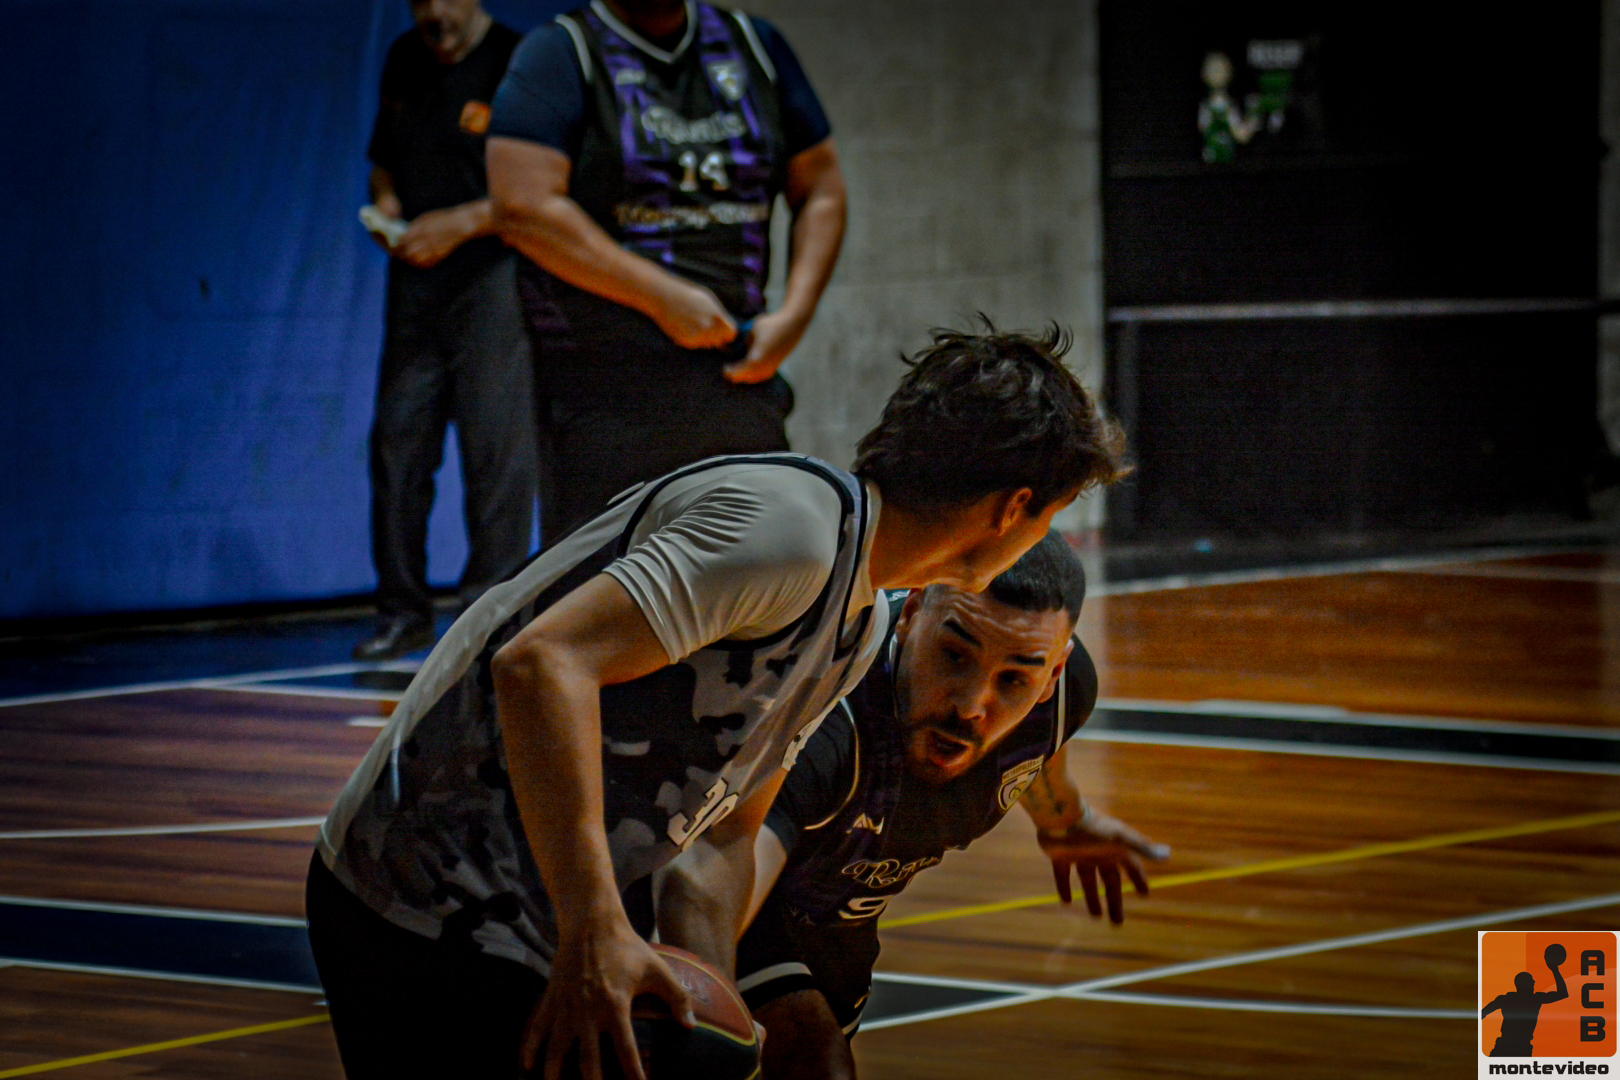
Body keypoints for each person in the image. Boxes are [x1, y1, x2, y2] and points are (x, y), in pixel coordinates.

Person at [306, 325, 1129, 1080]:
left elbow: (724, 836)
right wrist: (596, 928)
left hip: (525, 914)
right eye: (1052, 513)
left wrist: (721, 1006)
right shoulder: (790, 533)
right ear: (1014, 508)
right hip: (420, 890)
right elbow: (541, 663)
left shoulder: (859, 615)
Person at [735, 533, 1169, 1079]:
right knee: (811, 1057)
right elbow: (724, 864)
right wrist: (690, 976)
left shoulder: (1064, 694)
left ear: (1051, 676)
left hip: (840, 924)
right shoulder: (829, 718)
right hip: (736, 891)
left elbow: (1036, 747)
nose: (970, 705)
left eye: (1014, 680)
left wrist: (1063, 820)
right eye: (954, 655)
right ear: (911, 614)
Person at [484, 0, 847, 542]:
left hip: (737, 373)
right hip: (604, 393)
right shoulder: (560, 51)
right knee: (609, 579)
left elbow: (821, 187)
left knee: (758, 566)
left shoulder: (755, 45)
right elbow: (522, 208)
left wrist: (795, 315)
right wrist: (661, 297)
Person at [354, 0, 538, 661]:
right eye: (420, 3)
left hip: (492, 277)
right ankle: (401, 612)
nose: (434, 15)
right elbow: (383, 160)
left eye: (445, 2)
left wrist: (459, 224)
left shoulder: (519, 62)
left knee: (496, 455)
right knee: (397, 448)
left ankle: (489, 619)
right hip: (416, 280)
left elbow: (541, 192)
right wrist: (388, 208)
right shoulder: (405, 57)